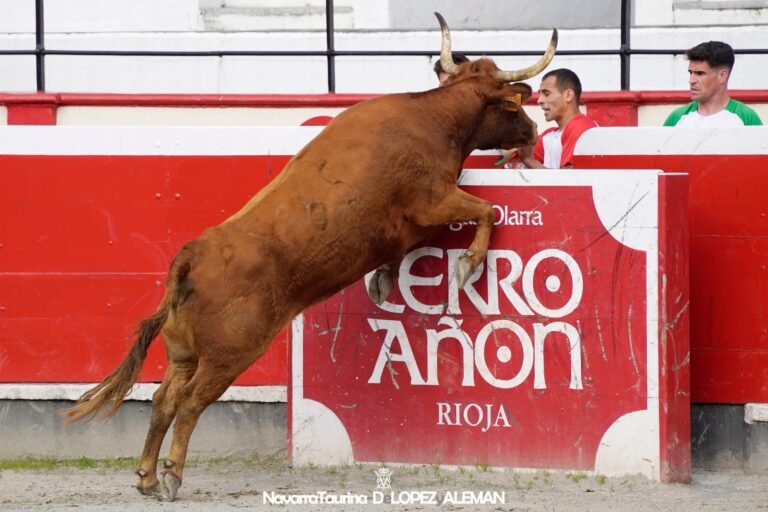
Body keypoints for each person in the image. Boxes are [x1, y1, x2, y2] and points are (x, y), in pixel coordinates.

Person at [664, 41, 763, 127]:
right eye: (691, 73)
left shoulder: (747, 118)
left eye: (700, 73)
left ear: (722, 76)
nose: (691, 80)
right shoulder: (676, 118)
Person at [515, 68, 598, 169]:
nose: (539, 100)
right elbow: (516, 154)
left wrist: (528, 160)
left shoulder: (579, 126)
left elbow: (568, 181)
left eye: (546, 94)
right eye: (540, 94)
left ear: (568, 95)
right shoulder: (549, 134)